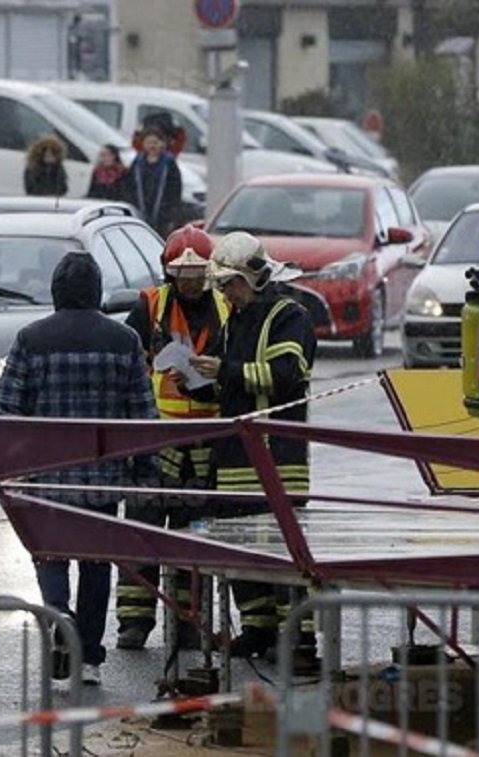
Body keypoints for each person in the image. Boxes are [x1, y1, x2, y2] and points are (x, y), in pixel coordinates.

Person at [0, 251, 158, 687]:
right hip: (103, 480)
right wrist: (145, 471)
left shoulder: (31, 339)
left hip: (46, 477)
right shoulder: (124, 341)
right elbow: (143, 416)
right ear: (97, 292)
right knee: (96, 565)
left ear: (56, 292)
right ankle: (89, 657)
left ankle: (58, 619)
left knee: (49, 556)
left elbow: (5, 411)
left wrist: (11, 465)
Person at [190, 232, 317, 661]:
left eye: (231, 284)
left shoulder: (290, 316)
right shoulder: (237, 318)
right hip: (235, 460)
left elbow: (285, 375)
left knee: (285, 553)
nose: (225, 294)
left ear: (255, 275)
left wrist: (225, 370)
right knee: (242, 545)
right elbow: (234, 388)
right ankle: (258, 627)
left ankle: (299, 638)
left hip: (277, 457)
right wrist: (201, 386)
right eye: (222, 287)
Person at [115, 225, 230, 653]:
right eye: (182, 274)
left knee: (192, 537)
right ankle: (134, 621)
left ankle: (187, 622)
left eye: (197, 273)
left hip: (205, 442)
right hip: (154, 444)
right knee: (141, 534)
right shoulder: (148, 307)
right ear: (168, 271)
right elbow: (130, 370)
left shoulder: (224, 309)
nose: (190, 282)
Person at [129, 126, 183, 236]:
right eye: (149, 142)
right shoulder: (137, 163)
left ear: (162, 143)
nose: (152, 146)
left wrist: (171, 214)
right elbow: (129, 186)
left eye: (155, 142)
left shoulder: (168, 163)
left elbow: (175, 190)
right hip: (140, 211)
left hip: (162, 215)